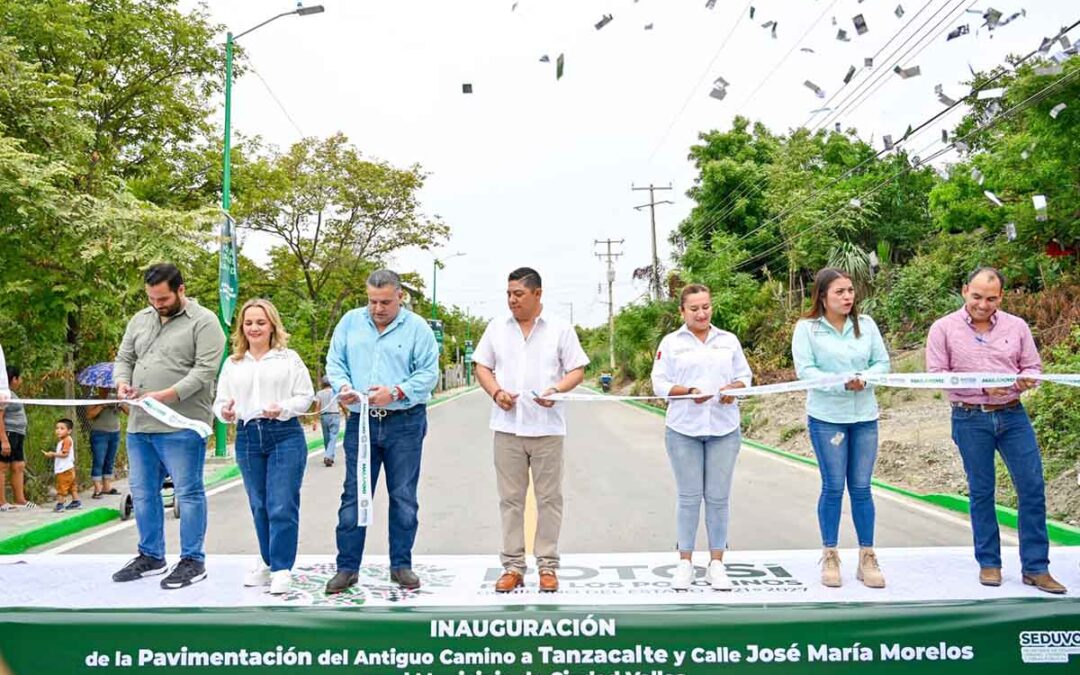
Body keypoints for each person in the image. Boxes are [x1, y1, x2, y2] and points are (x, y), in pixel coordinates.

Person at [925, 267, 1065, 594]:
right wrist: (985, 389)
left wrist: (1025, 380)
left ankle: (1036, 567)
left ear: (1001, 296)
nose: (983, 304)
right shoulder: (943, 329)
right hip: (969, 417)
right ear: (964, 291)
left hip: (1013, 416)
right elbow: (937, 376)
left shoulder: (1017, 327)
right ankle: (989, 564)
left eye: (991, 298)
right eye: (976, 296)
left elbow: (1032, 365)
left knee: (1031, 487)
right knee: (982, 491)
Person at [473, 267, 589, 593]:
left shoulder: (560, 329)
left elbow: (577, 369)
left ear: (537, 294)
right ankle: (513, 566)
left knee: (549, 499)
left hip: (547, 429)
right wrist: (496, 392)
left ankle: (548, 567)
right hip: (507, 428)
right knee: (510, 500)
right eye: (509, 294)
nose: (512, 300)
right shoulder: (497, 328)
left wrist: (557, 390)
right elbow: (482, 365)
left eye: (518, 294)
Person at [324, 269, 439, 594]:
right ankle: (347, 567)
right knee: (353, 495)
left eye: (385, 301)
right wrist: (344, 386)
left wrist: (397, 392)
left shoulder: (418, 329)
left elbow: (429, 374)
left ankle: (401, 564)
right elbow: (335, 362)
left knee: (403, 496)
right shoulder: (350, 322)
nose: (377, 308)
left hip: (404, 422)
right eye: (372, 301)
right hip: (360, 421)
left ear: (400, 297)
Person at [112, 263, 226, 589]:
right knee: (143, 493)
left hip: (182, 424)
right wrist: (122, 383)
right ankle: (151, 556)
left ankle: (193, 560)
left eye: (162, 298)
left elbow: (205, 371)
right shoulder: (140, 319)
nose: (157, 304)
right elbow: (124, 358)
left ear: (180, 289)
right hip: (140, 423)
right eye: (151, 298)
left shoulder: (204, 322)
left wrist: (167, 395)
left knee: (188, 493)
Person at [791, 267, 890, 589]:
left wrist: (866, 378)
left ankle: (867, 556)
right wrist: (841, 385)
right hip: (827, 417)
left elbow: (882, 363)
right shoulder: (807, 329)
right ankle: (830, 554)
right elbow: (806, 370)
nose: (848, 297)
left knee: (861, 487)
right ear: (822, 296)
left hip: (865, 417)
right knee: (833, 486)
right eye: (839, 292)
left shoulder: (867, 325)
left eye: (850, 291)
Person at [650, 284, 751, 591]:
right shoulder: (671, 342)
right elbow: (659, 383)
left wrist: (734, 389)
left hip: (723, 428)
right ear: (682, 312)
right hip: (684, 429)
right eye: (694, 309)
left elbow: (745, 377)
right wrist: (688, 392)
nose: (701, 313)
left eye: (706, 307)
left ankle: (717, 564)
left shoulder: (728, 341)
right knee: (689, 497)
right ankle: (685, 563)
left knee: (719, 499)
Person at [214, 298, 315, 595]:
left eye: (260, 322)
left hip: (284, 434)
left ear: (272, 325)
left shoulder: (289, 359)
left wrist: (281, 408)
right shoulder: (233, 364)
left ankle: (282, 568)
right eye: (248, 323)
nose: (254, 328)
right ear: (241, 328)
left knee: (281, 503)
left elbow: (305, 396)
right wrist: (226, 413)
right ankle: (268, 560)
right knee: (259, 504)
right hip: (248, 436)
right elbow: (220, 402)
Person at [0, 365, 35, 510]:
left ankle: (20, 500)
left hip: (18, 434)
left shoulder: (11, 394)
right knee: (2, 466)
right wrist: (3, 440)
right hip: (9, 433)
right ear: (13, 379)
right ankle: (1, 502)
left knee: (19, 466)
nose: (20, 381)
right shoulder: (4, 395)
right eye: (19, 378)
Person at [86, 390, 124, 499]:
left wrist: (120, 403)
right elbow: (89, 415)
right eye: (102, 386)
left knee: (110, 460)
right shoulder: (93, 399)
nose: (105, 388)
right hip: (99, 433)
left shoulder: (115, 397)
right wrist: (103, 404)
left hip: (115, 432)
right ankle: (97, 488)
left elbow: (129, 411)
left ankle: (106, 486)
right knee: (99, 460)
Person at [44, 418, 80, 512]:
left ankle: (60, 505)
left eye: (62, 428)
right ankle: (76, 502)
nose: (58, 430)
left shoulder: (67, 440)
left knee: (61, 487)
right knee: (72, 486)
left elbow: (65, 454)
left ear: (69, 431)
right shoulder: (64, 440)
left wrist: (52, 454)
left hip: (64, 469)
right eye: (57, 428)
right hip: (69, 468)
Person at [315, 376, 343, 467]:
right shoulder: (335, 392)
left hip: (324, 416)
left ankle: (329, 456)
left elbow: (317, 406)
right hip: (335, 415)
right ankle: (329, 456)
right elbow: (341, 403)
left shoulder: (319, 393)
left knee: (326, 437)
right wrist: (346, 413)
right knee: (333, 436)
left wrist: (315, 420)